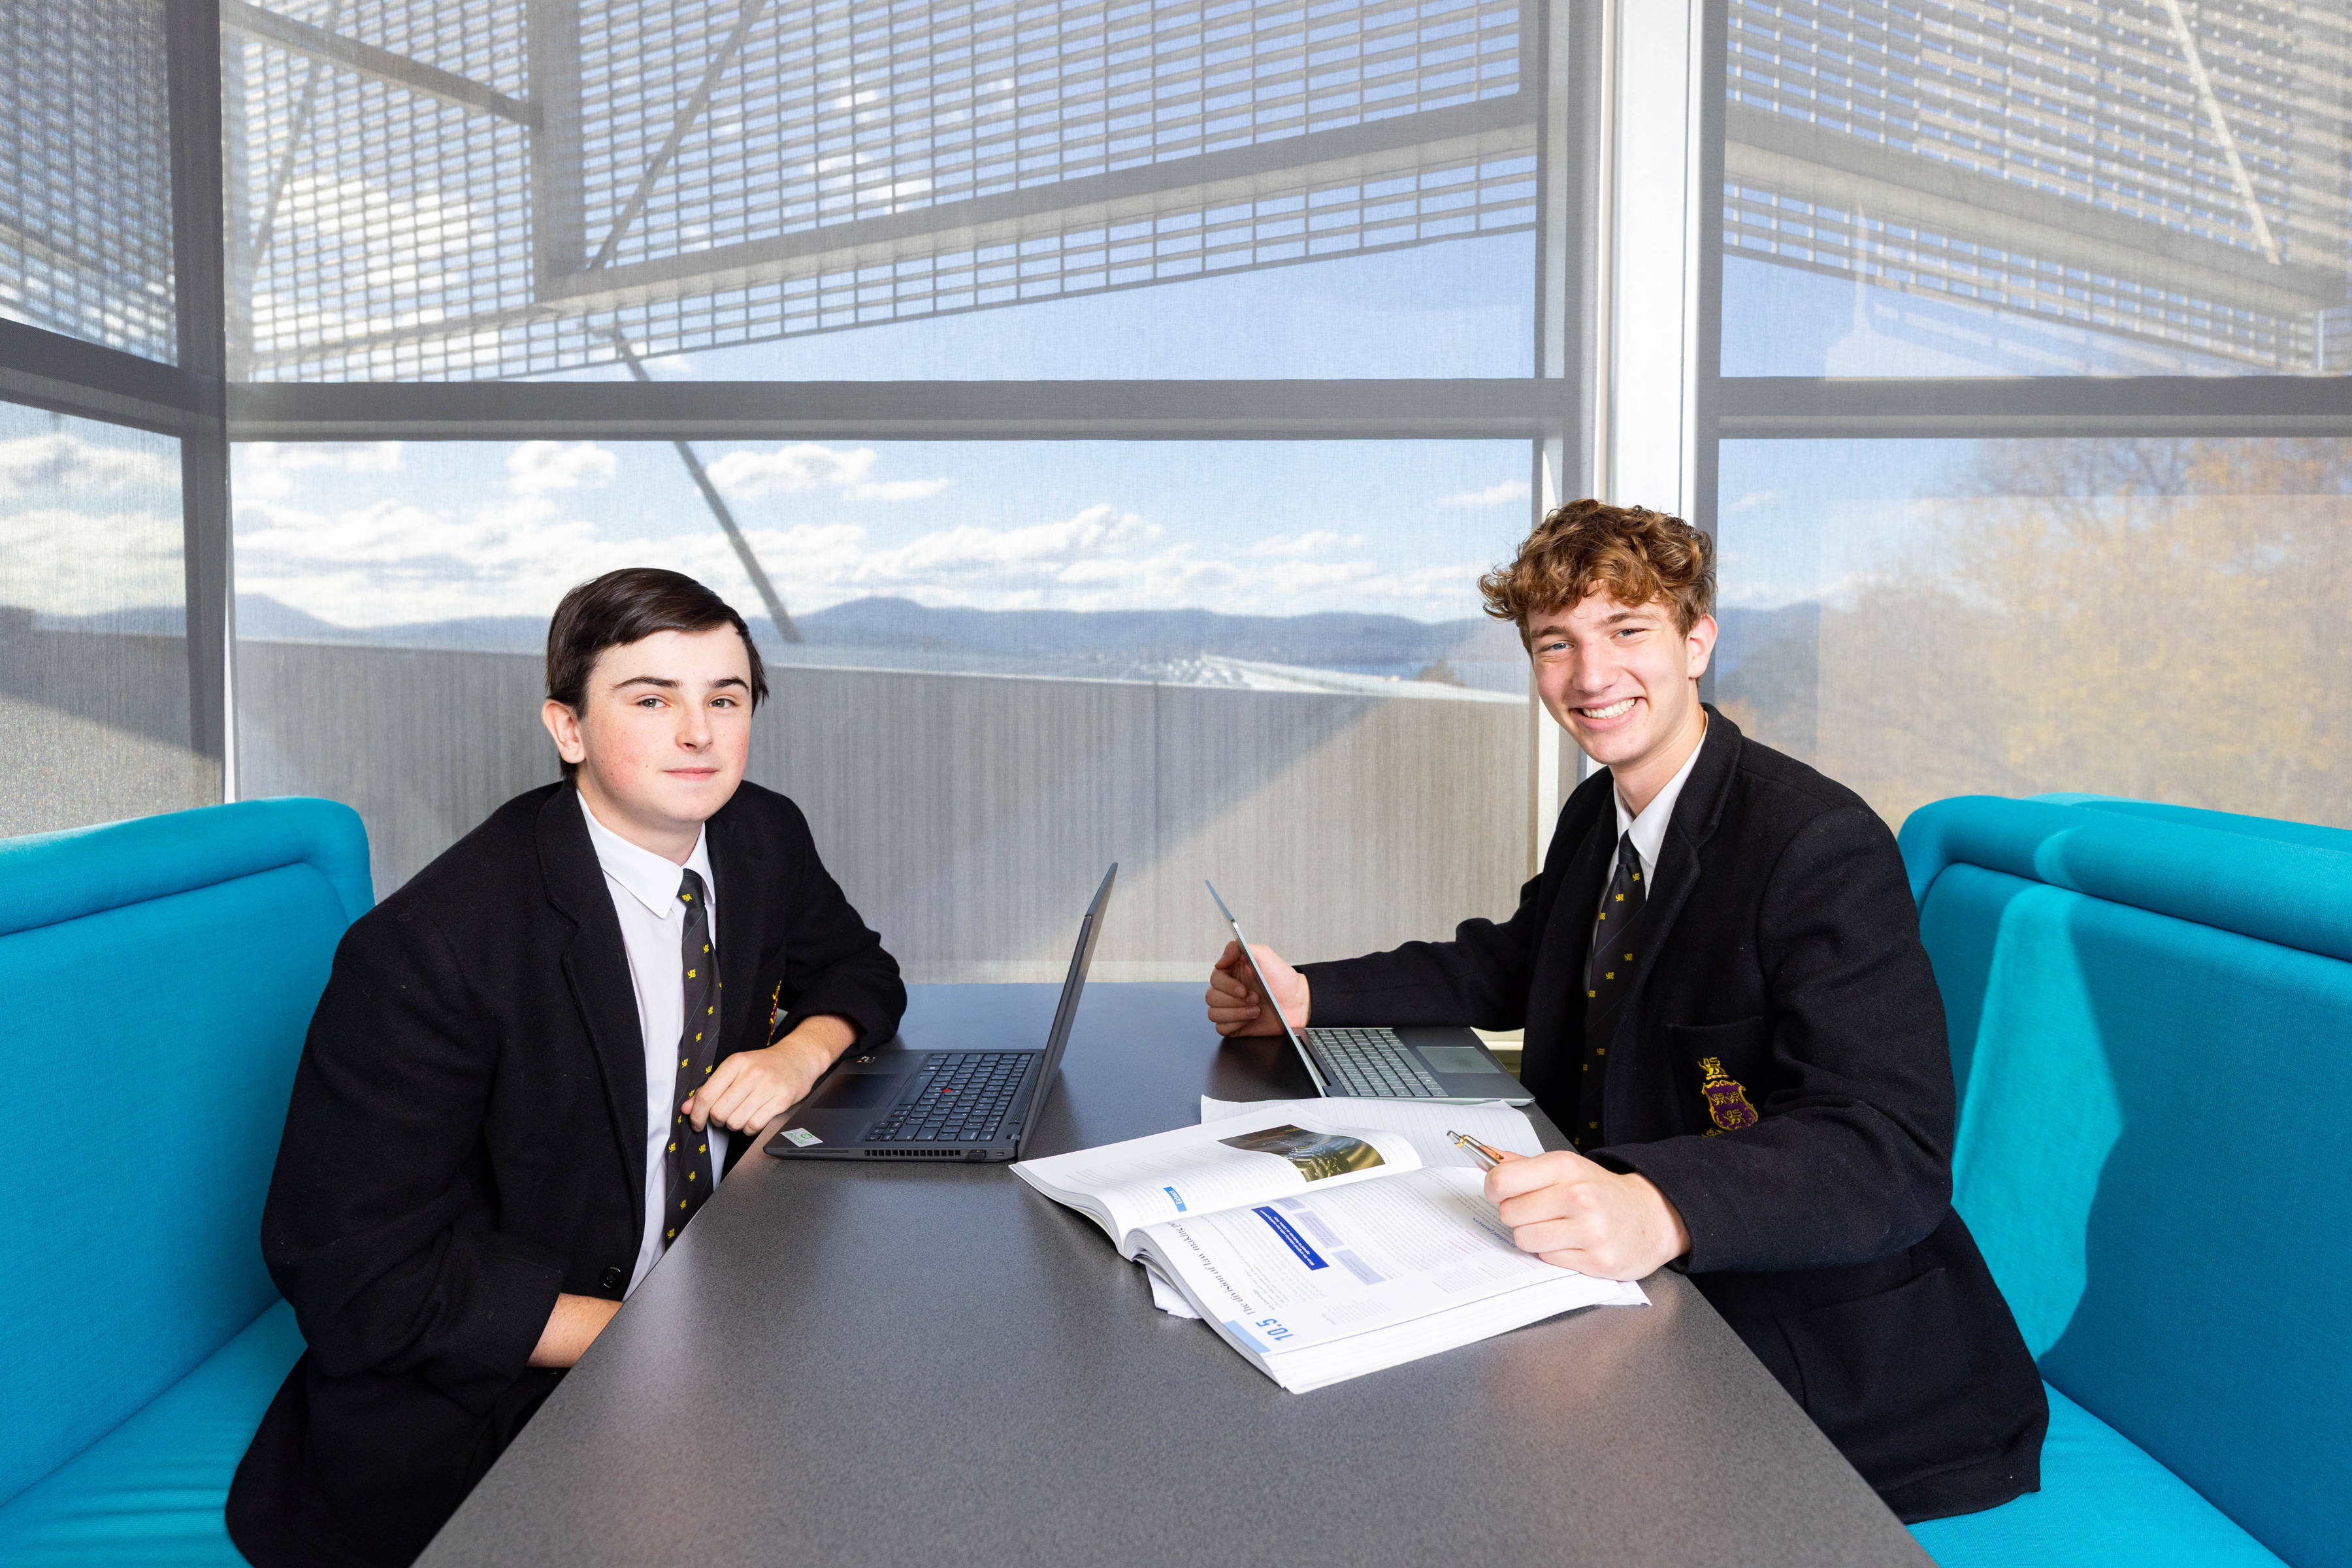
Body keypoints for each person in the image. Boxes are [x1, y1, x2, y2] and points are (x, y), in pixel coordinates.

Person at [1203, 501, 2046, 1522]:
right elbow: (1513, 965)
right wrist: (1309, 996)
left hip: (1823, 1353)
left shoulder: (1817, 844)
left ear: (1698, 642)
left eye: (1626, 631)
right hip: (1622, 1292)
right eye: (1556, 644)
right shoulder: (1601, 811)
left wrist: (1659, 1203)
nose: (1591, 676)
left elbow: (1891, 1154)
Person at [229, 568, 905, 1567]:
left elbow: (858, 969)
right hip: (506, 1391)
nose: (699, 733)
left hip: (728, 1296)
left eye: (725, 698)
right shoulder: (432, 948)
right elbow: (358, 1280)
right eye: (652, 699)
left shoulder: (760, 835)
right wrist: (659, 1347)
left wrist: (796, 1051)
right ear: (568, 729)